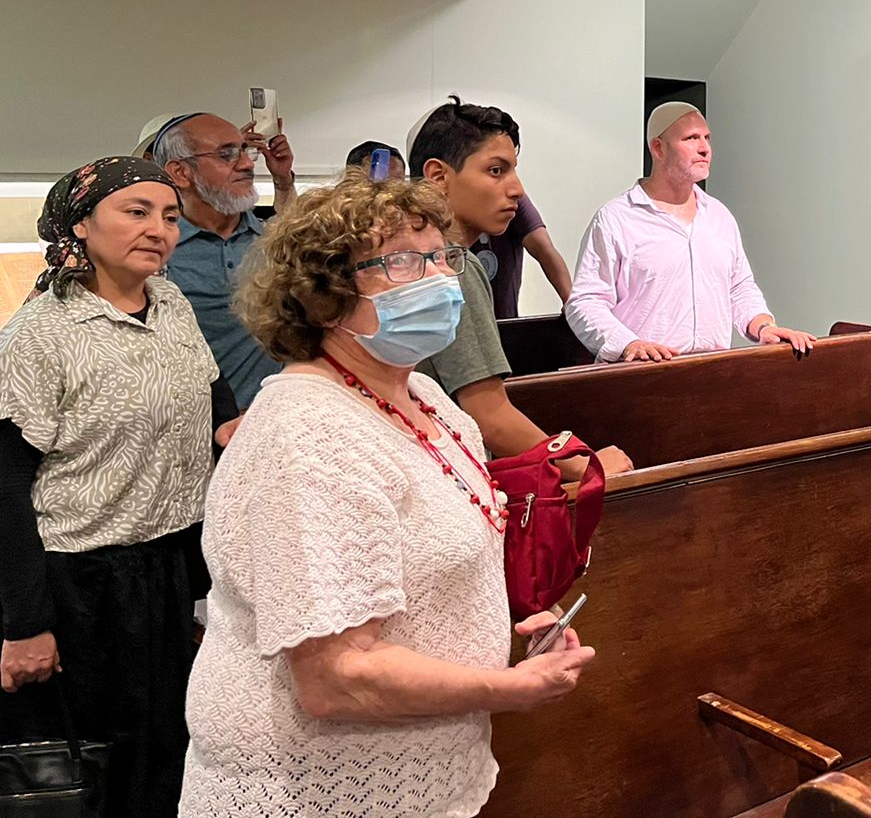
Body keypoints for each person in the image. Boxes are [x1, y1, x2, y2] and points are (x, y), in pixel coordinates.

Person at [179, 172, 592, 817]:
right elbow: (335, 678)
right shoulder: (309, 434)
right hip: (314, 793)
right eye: (402, 261)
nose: (439, 278)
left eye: (441, 255)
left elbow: (434, 560)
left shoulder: (424, 397)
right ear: (324, 297)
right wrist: (508, 688)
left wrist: (511, 627)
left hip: (428, 779)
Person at [0, 157, 229, 817]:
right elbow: (5, 486)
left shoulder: (172, 304)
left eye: (170, 216)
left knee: (165, 756)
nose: (159, 229)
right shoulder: (40, 335)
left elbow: (214, 398)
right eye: (137, 212)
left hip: (164, 571)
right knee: (91, 773)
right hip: (78, 583)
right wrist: (27, 626)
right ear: (80, 223)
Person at [408, 97, 631, 473]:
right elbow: (490, 417)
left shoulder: (403, 259)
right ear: (438, 176)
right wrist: (584, 467)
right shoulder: (453, 267)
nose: (517, 189)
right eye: (496, 171)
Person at [566, 102, 814, 362]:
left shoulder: (719, 216)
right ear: (658, 148)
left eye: (707, 138)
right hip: (641, 375)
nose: (705, 148)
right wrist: (629, 344)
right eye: (691, 138)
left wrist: (764, 326)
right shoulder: (616, 219)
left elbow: (739, 288)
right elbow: (585, 302)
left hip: (713, 372)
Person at [153, 112, 296, 409]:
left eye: (245, 150)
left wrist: (283, 181)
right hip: (196, 429)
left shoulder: (271, 241)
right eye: (226, 154)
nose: (247, 164)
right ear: (180, 172)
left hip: (280, 417)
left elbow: (299, 234)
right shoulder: (155, 256)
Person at [475, 195, 573, 318]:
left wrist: (571, 301)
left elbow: (544, 249)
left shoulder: (511, 197)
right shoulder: (453, 200)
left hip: (503, 321)